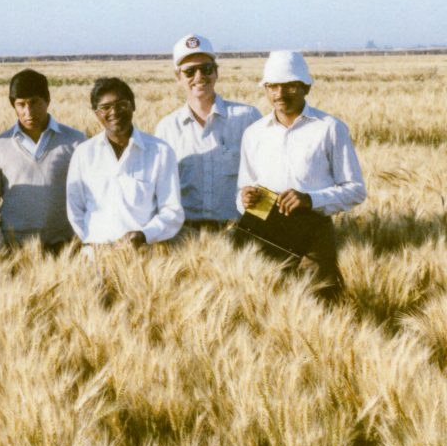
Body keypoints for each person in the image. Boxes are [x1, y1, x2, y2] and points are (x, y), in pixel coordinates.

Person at [238, 50, 366, 298]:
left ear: (306, 88)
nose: (280, 94)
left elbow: (355, 189)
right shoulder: (254, 133)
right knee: (267, 304)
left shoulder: (330, 128)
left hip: (313, 235)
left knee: (319, 304)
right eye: (272, 86)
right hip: (265, 232)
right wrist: (244, 199)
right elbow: (243, 187)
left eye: (290, 86)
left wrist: (310, 200)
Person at [154, 34, 261, 228]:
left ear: (216, 72)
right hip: (185, 235)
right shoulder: (166, 129)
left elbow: (266, 176)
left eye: (206, 68)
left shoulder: (248, 118)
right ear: (178, 77)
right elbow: (160, 190)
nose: (199, 77)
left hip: (238, 232)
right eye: (189, 72)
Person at [66, 77, 184, 248]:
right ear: (96, 113)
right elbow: (75, 208)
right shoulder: (84, 153)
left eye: (121, 104)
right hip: (95, 256)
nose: (114, 112)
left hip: (145, 255)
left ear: (133, 105)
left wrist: (145, 235)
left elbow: (172, 210)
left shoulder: (160, 151)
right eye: (105, 107)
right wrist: (92, 242)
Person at [0, 68, 85, 249]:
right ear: (13, 105)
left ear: (47, 100)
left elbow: (89, 197)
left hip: (65, 248)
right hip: (15, 249)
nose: (28, 111)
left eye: (34, 102)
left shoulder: (75, 141)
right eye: (21, 104)